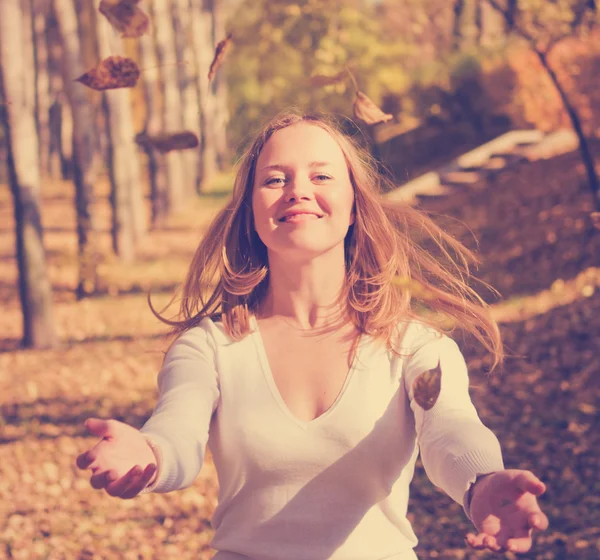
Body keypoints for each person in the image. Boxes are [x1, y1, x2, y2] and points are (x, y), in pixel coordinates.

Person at [76, 111, 549, 559]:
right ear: (251, 214)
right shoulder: (208, 349)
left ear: (352, 208)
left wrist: (482, 483)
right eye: (275, 179)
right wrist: (149, 453)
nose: (297, 191)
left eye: (321, 176)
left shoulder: (418, 349)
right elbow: (177, 433)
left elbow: (451, 429)